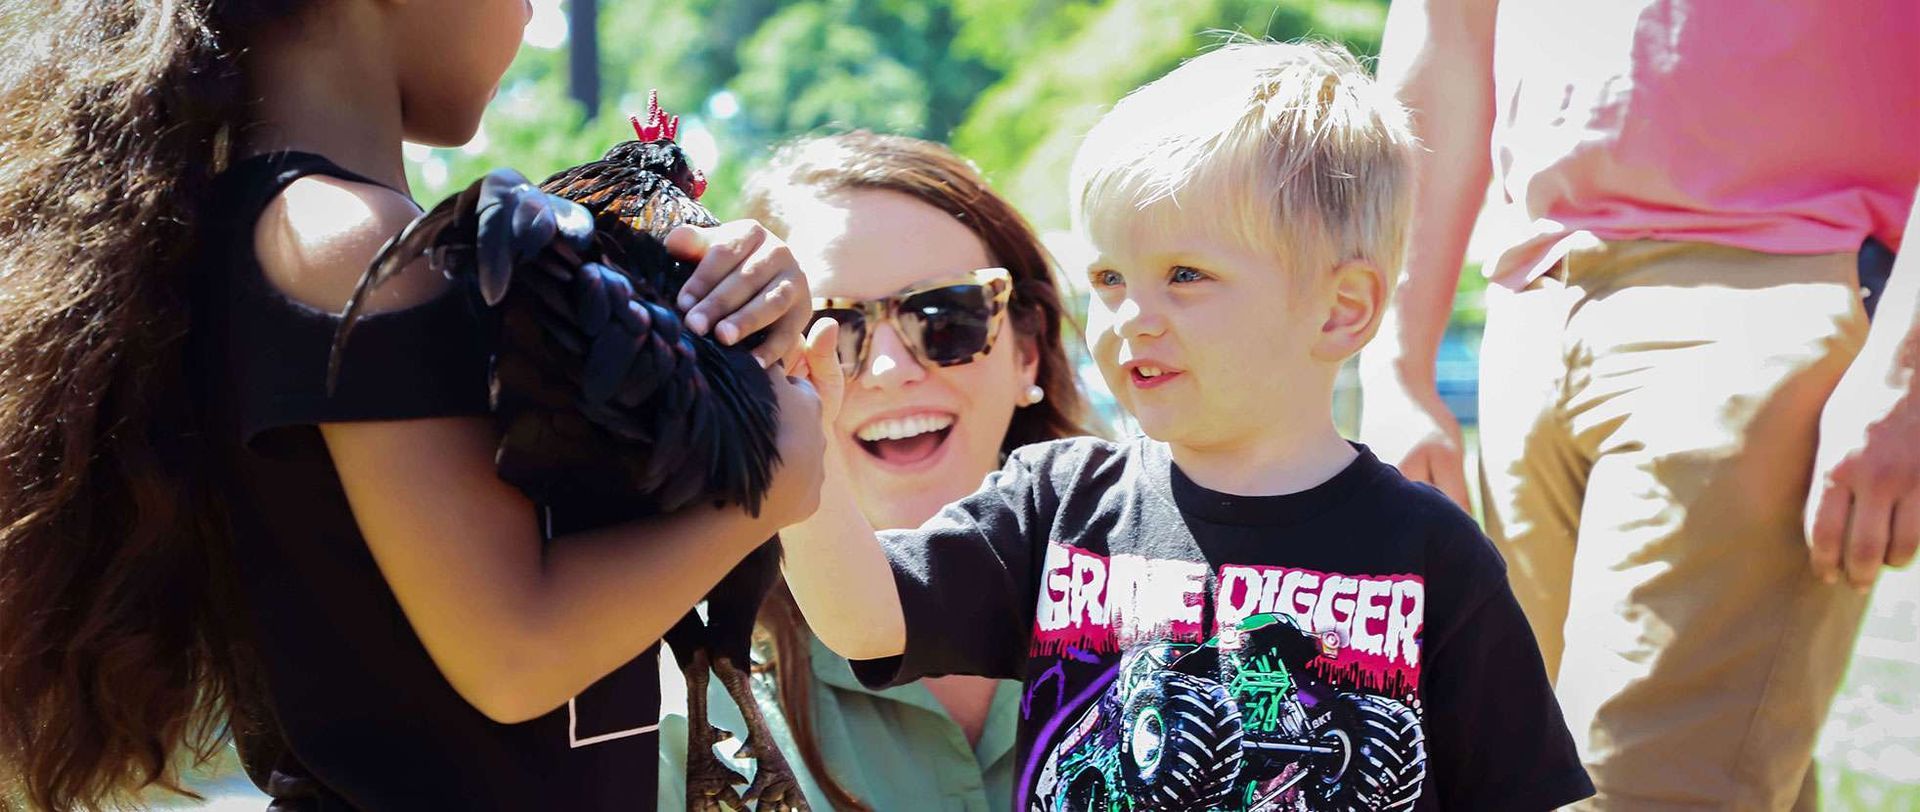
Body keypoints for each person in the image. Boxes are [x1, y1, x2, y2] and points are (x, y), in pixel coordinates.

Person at [0, 2, 823, 809]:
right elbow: (515, 656)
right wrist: (767, 491)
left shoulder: (309, 234)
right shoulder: (345, 241)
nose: (531, 17)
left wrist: (725, 314)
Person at [780, 41, 1595, 810]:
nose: (1131, 317)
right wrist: (793, 435)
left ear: (1341, 310)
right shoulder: (1057, 505)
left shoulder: (1433, 554)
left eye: (1184, 276)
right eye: (1109, 278)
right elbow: (862, 616)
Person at [1362, 1, 1920, 806]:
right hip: (1535, 295)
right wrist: (1397, 361)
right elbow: (1448, 29)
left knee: (1626, 792)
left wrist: (1906, 361)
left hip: (1778, 282)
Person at [658, 132, 1093, 811]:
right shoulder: (674, 697)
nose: (893, 372)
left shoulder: (1192, 608)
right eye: (830, 328)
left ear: (1028, 352)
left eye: (946, 315)